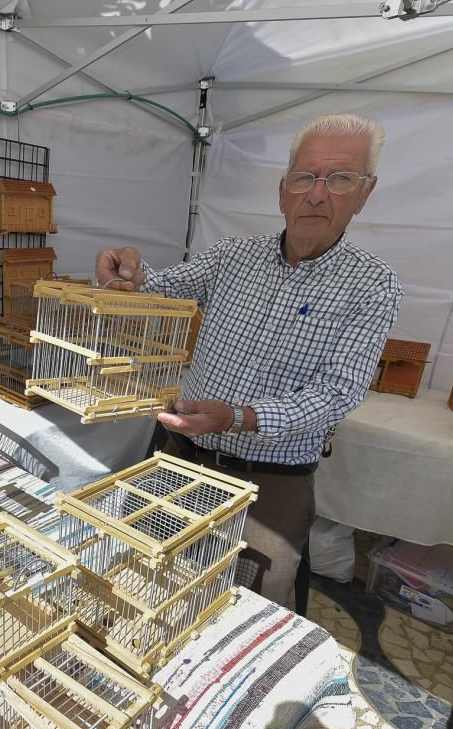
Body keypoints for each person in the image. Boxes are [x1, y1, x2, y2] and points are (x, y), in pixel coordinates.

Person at [95, 113, 403, 611]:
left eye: (340, 178)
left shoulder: (372, 285)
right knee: (146, 573)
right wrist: (126, 269)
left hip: (271, 484)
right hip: (182, 453)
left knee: (245, 606)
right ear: (283, 190)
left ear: (365, 192)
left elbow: (339, 392)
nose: (317, 195)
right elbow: (160, 288)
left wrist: (240, 417)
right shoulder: (233, 256)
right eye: (304, 177)